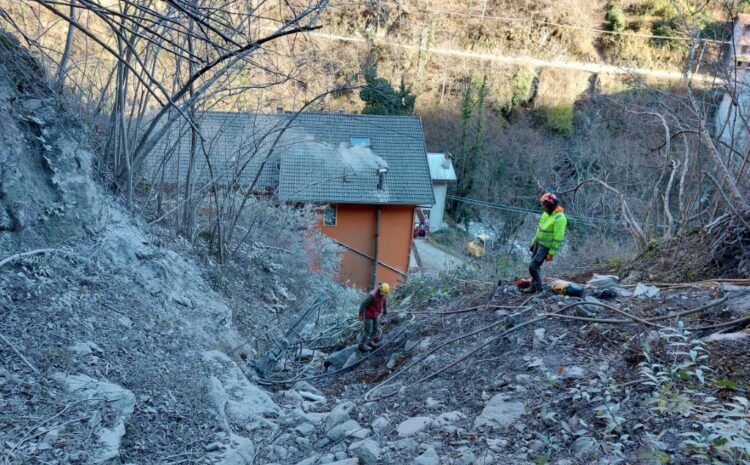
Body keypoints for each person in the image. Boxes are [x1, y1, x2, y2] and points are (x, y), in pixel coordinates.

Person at [527, 192, 567, 293]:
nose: (543, 207)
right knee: (534, 266)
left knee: (533, 267)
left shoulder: (560, 218)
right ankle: (533, 287)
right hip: (538, 243)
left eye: (544, 205)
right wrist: (534, 242)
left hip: (546, 247)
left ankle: (539, 290)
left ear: (549, 206)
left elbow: (558, 238)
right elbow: (539, 229)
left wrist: (551, 253)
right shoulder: (546, 214)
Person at [357, 282, 390, 352]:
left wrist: (385, 310)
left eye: (385, 294)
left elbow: (384, 301)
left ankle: (370, 341)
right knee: (367, 331)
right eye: (383, 294)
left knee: (375, 329)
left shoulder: (383, 294)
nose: (384, 295)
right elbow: (363, 304)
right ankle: (361, 345)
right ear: (380, 291)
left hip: (376, 314)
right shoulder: (372, 296)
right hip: (369, 314)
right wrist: (360, 314)